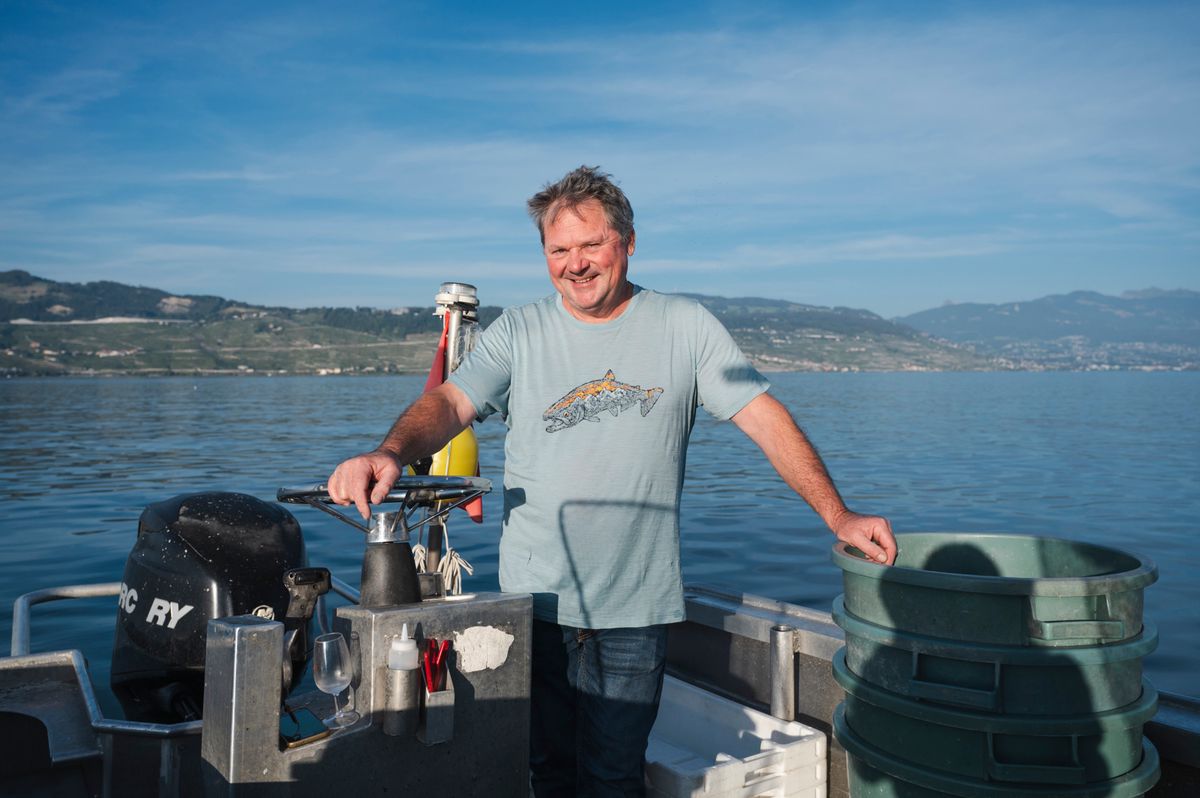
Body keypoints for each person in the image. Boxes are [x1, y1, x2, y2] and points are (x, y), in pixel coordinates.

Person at [326, 165, 896, 797]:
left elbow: (764, 419)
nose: (575, 264)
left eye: (590, 244)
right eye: (558, 250)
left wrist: (836, 514)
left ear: (627, 241)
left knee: (613, 777)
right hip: (536, 602)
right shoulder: (519, 330)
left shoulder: (685, 326)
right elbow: (451, 404)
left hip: (635, 608)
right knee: (545, 770)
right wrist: (391, 452)